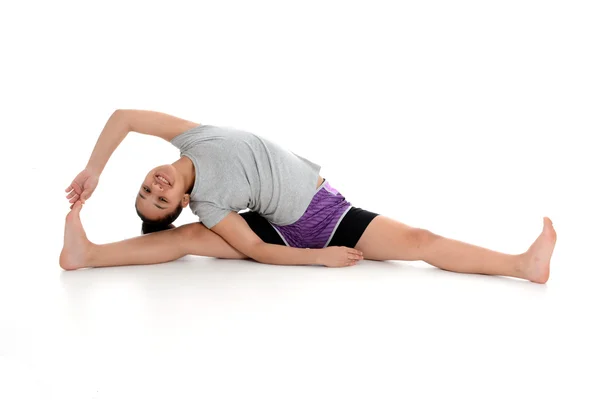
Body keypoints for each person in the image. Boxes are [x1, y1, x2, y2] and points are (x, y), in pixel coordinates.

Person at [60, 109, 557, 283]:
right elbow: (254, 248)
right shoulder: (208, 205)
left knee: (420, 238)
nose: (156, 187)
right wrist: (320, 258)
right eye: (159, 201)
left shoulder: (190, 136)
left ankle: (521, 266)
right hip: (308, 229)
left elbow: (124, 115)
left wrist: (93, 169)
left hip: (325, 204)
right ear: (181, 202)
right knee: (188, 239)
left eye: (146, 188)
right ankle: (88, 255)